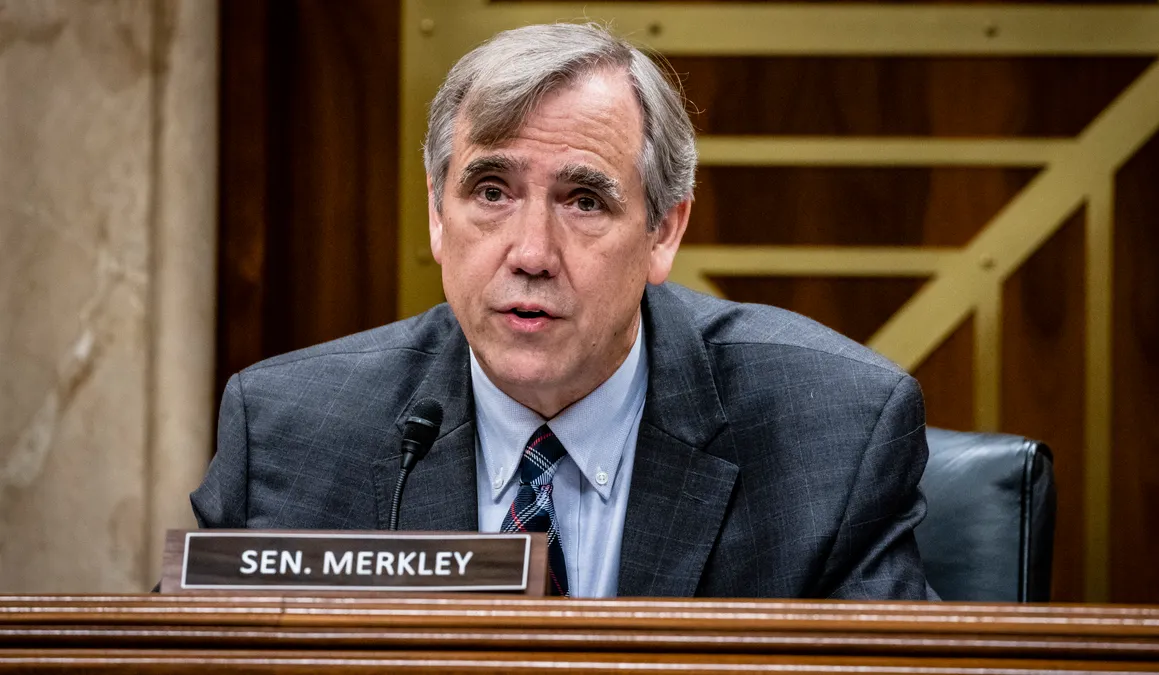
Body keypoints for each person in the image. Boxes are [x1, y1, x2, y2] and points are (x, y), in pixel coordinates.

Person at [192, 22, 936, 600]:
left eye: (584, 201)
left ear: (664, 231)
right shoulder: (288, 435)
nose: (531, 252)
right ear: (435, 214)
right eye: (490, 191)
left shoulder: (832, 436)